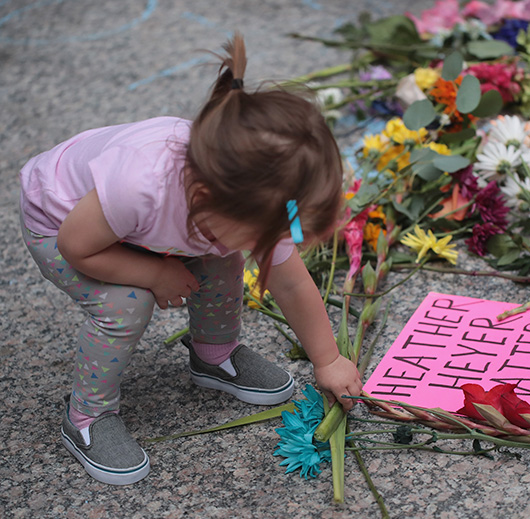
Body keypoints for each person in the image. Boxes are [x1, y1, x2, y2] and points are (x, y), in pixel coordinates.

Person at [19, 33, 363, 486]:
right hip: (61, 224)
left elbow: (292, 282)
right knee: (126, 304)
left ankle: (213, 356)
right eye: (264, 235)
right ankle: (86, 416)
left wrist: (328, 359)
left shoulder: (255, 197)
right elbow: (76, 247)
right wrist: (155, 272)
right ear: (206, 199)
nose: (274, 244)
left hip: (137, 229)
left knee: (222, 257)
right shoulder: (139, 184)